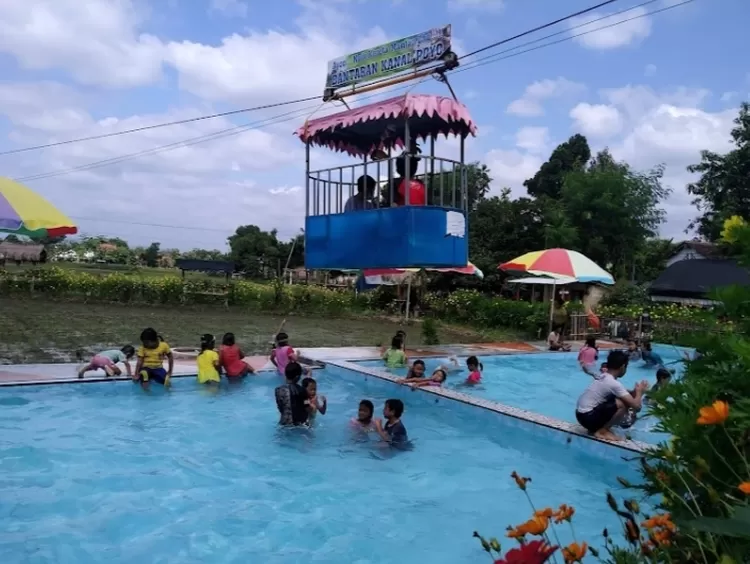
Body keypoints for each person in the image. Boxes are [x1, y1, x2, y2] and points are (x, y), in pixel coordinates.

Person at [574, 350, 649, 442]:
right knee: (622, 404)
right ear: (623, 367)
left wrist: (635, 391)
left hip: (581, 415)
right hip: (588, 418)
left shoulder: (603, 376)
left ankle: (598, 428)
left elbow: (626, 394)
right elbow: (637, 407)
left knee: (619, 399)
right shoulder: (613, 383)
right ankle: (603, 431)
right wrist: (640, 393)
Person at [274, 361, 309, 426]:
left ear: (285, 374)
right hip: (299, 424)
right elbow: (307, 407)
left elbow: (280, 408)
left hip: (284, 423)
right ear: (297, 377)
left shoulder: (278, 390)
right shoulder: (302, 390)